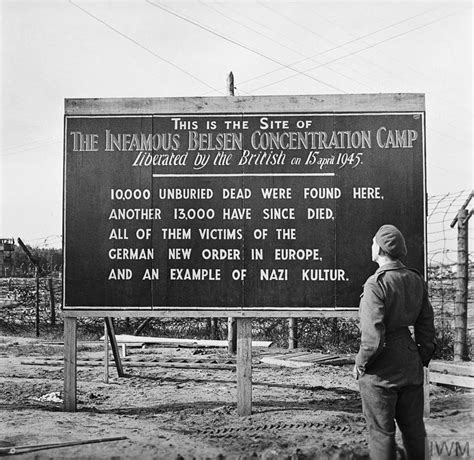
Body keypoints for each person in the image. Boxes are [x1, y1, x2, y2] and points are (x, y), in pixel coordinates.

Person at [354, 224, 436, 460]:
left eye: (373, 243)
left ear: (379, 248)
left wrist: (360, 363)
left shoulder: (375, 284)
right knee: (414, 431)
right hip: (410, 363)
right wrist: (420, 357)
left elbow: (373, 338)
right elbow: (426, 327)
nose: (371, 246)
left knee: (381, 434)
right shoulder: (415, 279)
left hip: (381, 371)